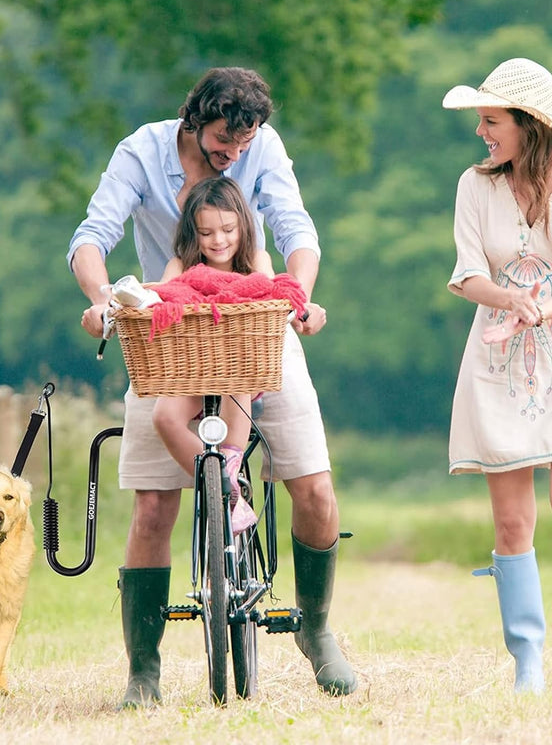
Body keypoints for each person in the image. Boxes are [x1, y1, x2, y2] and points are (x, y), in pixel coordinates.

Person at [68, 67, 357, 705]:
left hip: (256, 326)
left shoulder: (263, 146)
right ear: (194, 119)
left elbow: (294, 230)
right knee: (151, 506)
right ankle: (143, 670)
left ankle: (316, 628)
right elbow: (92, 238)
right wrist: (103, 301)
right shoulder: (141, 152)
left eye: (244, 143)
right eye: (223, 142)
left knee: (314, 485)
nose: (234, 154)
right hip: (169, 334)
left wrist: (301, 298)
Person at [441, 58, 552, 693]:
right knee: (512, 520)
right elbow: (466, 274)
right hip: (497, 360)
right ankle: (528, 664)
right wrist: (510, 301)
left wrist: (539, 309)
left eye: (490, 121)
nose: (481, 132)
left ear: (528, 124)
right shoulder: (475, 185)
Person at [151, 176, 272, 535]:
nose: (218, 240)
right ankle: (220, 485)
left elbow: (265, 292)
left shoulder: (255, 259)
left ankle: (230, 469)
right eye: (206, 233)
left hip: (241, 370)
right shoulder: (180, 266)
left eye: (228, 229)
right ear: (193, 234)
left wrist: (216, 294)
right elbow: (164, 295)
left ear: (242, 226)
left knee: (240, 378)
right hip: (193, 370)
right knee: (164, 415)